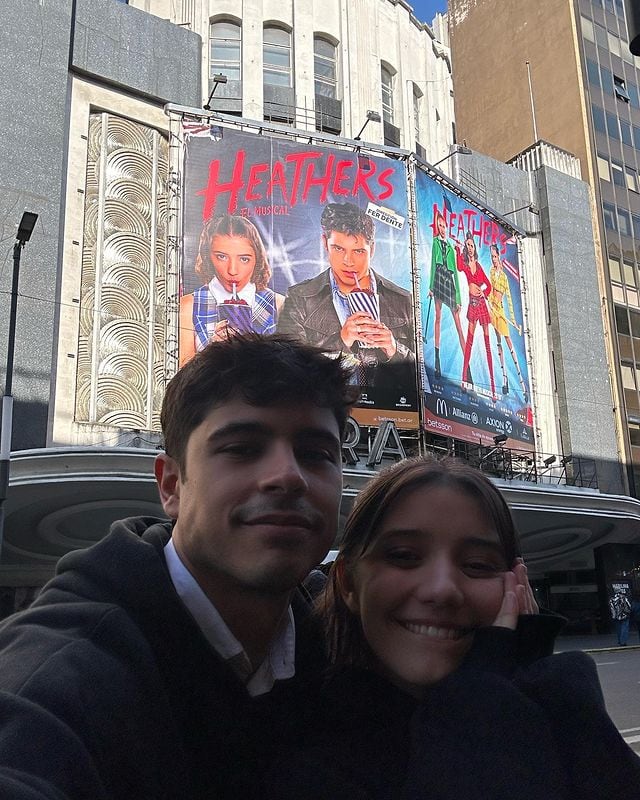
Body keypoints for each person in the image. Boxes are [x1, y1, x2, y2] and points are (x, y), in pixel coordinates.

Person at [0, 334, 358, 800]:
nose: (288, 476)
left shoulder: (343, 647)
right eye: (243, 448)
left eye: (316, 454)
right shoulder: (60, 674)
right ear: (171, 485)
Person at [265, 457, 640, 799]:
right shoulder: (289, 743)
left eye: (477, 564)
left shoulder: (565, 707)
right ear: (347, 582)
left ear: (515, 584)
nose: (442, 589)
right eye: (403, 556)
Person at [277, 202, 415, 386]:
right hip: (325, 407)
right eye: (338, 249)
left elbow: (424, 381)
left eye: (358, 251)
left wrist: (394, 349)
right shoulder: (299, 298)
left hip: (389, 409)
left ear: (371, 249)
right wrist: (341, 341)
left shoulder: (403, 300)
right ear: (325, 243)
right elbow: (286, 368)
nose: (348, 261)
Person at [179, 215, 284, 366]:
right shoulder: (189, 305)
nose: (232, 270)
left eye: (244, 259)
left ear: (257, 259)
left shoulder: (278, 304)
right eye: (221, 257)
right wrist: (211, 350)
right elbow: (181, 373)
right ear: (208, 256)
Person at [456, 231, 496, 400]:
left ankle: (493, 389)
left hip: (481, 305)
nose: (470, 248)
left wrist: (483, 292)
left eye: (471, 245)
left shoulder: (479, 266)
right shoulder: (465, 263)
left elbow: (488, 285)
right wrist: (458, 251)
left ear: (475, 247)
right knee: (470, 342)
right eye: (468, 246)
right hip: (472, 304)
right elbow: (458, 267)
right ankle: (464, 380)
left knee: (487, 344)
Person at [428, 211, 466, 380]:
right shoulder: (435, 242)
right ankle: (437, 361)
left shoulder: (451, 246)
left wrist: (458, 299)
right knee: (438, 317)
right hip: (438, 279)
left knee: (458, 325)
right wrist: (430, 286)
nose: (442, 228)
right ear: (437, 227)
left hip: (449, 281)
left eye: (444, 226)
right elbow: (432, 265)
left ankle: (467, 367)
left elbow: (456, 275)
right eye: (440, 226)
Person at [488, 243, 528, 402]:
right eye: (492, 257)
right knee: (498, 342)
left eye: (495, 257)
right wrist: (490, 302)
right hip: (493, 309)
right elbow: (490, 290)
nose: (493, 259)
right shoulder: (491, 272)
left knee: (508, 341)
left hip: (501, 310)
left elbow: (509, 299)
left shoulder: (504, 277)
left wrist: (514, 320)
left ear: (499, 257)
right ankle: (504, 379)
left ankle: (522, 384)